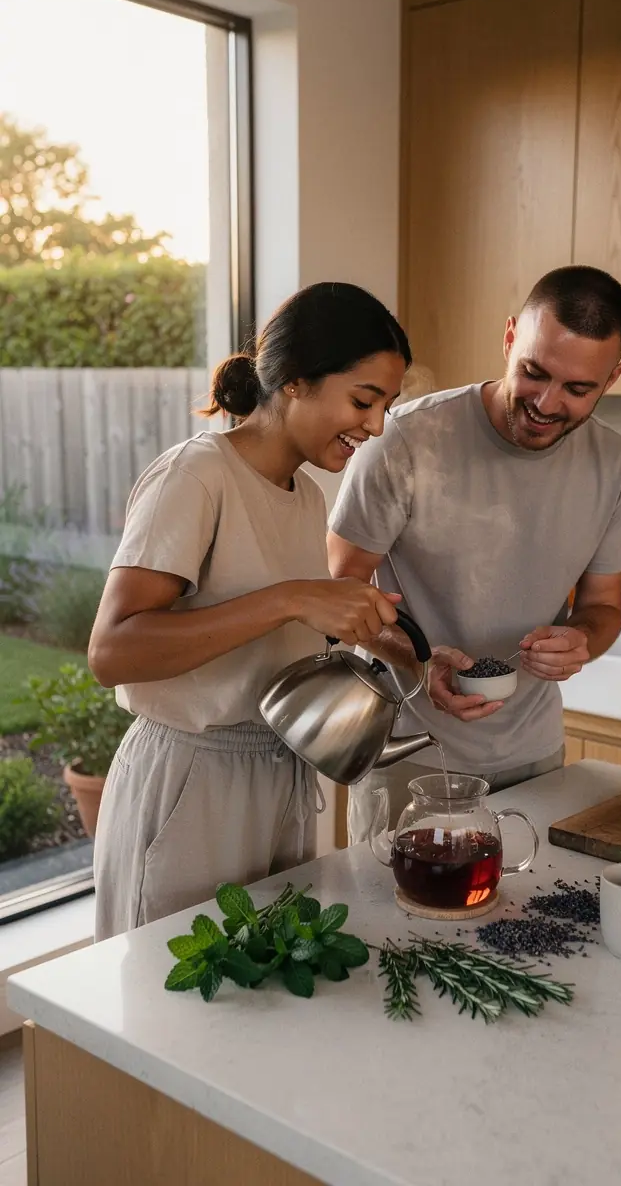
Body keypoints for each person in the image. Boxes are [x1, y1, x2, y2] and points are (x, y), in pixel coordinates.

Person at [89, 282, 410, 940]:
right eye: (364, 400)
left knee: (258, 1010)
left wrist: (392, 641)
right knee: (174, 1010)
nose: (376, 427)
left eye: (386, 406)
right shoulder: (195, 475)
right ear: (294, 382)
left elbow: (274, 640)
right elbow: (111, 651)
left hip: (277, 776)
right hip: (190, 781)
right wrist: (291, 597)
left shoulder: (306, 499)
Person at [328, 265, 621, 845]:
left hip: (536, 756)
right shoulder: (404, 441)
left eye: (578, 389)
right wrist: (417, 661)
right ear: (508, 339)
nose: (547, 403)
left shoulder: (616, 465)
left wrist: (583, 641)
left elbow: (603, 607)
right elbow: (341, 595)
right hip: (411, 754)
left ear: (612, 377)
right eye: (533, 372)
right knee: (395, 930)